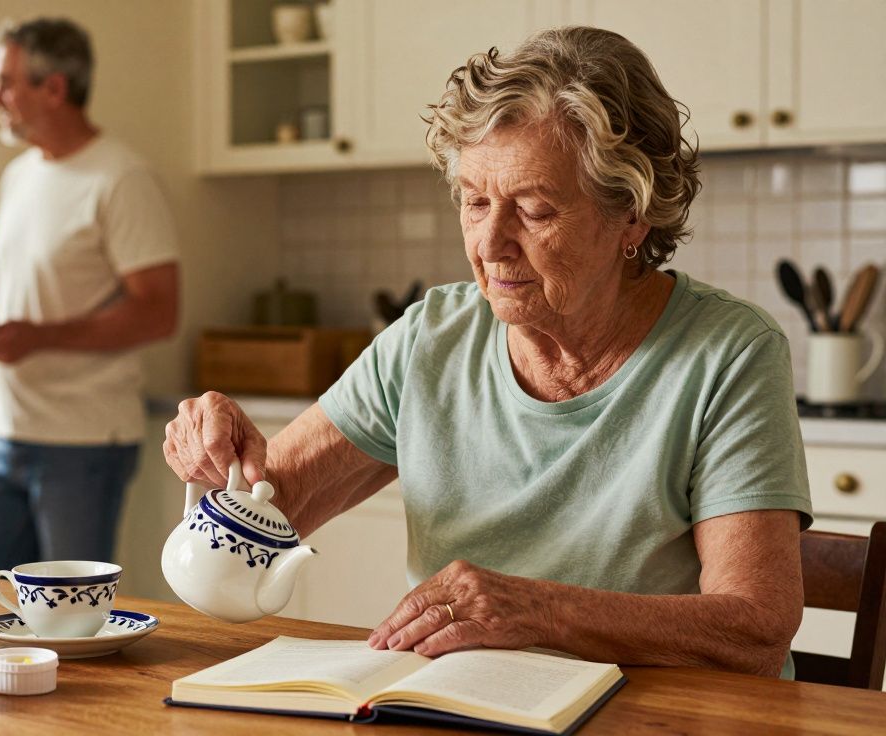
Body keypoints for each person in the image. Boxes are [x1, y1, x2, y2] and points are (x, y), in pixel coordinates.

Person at [163, 26, 812, 679]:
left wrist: (539, 612)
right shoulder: (431, 339)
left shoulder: (728, 354)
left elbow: (754, 625)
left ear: (633, 216)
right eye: (475, 202)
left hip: (663, 717)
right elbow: (274, 506)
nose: (491, 242)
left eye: (533, 210)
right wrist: (218, 456)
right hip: (470, 706)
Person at [0, 19, 180, 577]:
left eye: (5, 83)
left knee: (71, 619)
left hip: (84, 441)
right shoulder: (19, 176)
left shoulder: (121, 178)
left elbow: (159, 311)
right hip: (5, 431)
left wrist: (36, 337)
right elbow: (43, 290)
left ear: (54, 88)